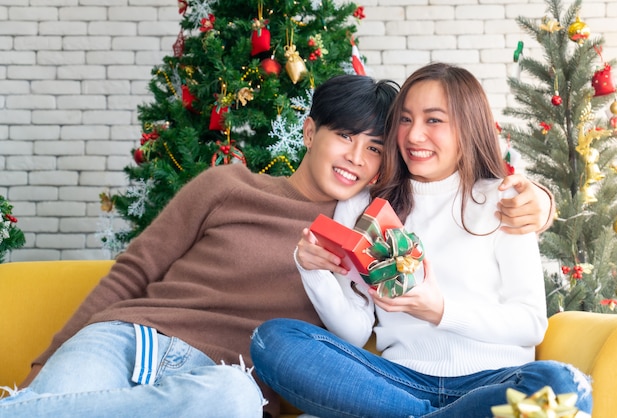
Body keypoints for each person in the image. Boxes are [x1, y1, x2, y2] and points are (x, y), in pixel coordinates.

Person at [0, 74, 551, 418]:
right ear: (310, 132)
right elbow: (131, 273)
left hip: (220, 381)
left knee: (236, 400)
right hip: (127, 339)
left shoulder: (367, 223)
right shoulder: (226, 185)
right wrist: (44, 367)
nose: (357, 157)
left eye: (376, 147)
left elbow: (356, 328)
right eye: (343, 136)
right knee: (50, 407)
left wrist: (541, 201)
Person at [250, 63, 592, 418]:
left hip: (492, 382)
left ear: (466, 127)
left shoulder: (505, 199)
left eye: (433, 120)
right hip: (399, 381)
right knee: (272, 339)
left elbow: (530, 323)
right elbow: (355, 331)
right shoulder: (363, 204)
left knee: (564, 383)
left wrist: (440, 310)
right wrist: (312, 270)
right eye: (405, 119)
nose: (413, 136)